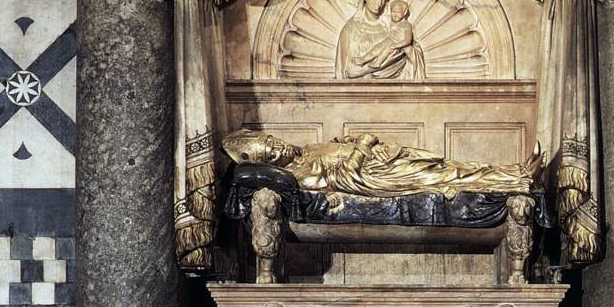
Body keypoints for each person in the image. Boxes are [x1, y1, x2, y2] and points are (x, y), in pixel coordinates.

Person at [223, 130, 545, 200]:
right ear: (269, 163)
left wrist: (346, 140)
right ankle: (518, 180)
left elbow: (336, 149)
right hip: (380, 176)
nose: (279, 146)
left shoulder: (307, 150)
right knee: (448, 175)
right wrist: (361, 147)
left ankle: (515, 171)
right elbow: (348, 180)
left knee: (452, 164)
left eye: (273, 141)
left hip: (387, 157)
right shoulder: (299, 175)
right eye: (272, 151)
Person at [335, 0, 425, 80]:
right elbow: (346, 69)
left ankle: (370, 68)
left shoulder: (391, 24)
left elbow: (409, 48)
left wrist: (404, 49)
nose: (379, 3)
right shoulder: (351, 28)